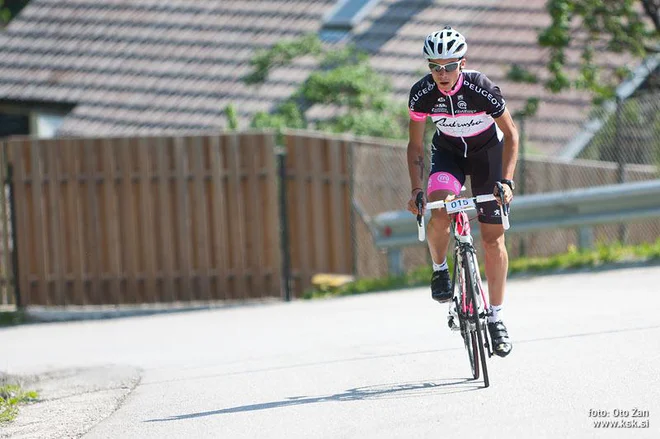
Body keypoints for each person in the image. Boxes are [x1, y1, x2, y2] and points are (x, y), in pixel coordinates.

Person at [405, 26, 518, 357]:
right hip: (449, 156)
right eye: (434, 66)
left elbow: (511, 135)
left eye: (449, 66)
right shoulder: (421, 93)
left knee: (492, 239)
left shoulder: (481, 89)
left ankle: (496, 318)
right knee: (439, 209)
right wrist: (415, 189)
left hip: (487, 157)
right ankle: (440, 269)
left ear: (462, 64)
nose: (442, 73)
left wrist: (507, 182)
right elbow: (415, 146)